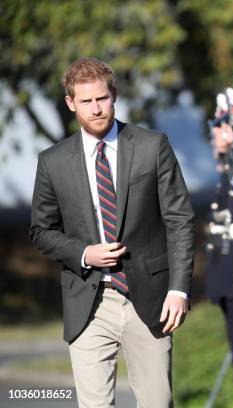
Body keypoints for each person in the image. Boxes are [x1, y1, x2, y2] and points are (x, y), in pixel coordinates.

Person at [29, 57, 195, 408]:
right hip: (88, 301)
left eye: (102, 98)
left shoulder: (152, 146)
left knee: (157, 402)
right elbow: (41, 229)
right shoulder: (53, 161)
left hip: (149, 300)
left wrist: (178, 289)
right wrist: (83, 253)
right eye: (86, 101)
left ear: (114, 95)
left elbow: (179, 219)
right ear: (71, 103)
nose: (96, 108)